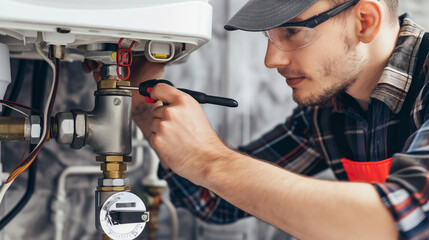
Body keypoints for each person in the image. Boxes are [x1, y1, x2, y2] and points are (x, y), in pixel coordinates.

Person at [84, 0, 429, 239]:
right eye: (269, 36)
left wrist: (209, 159)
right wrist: (143, 105)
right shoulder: (329, 113)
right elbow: (216, 202)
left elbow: (402, 220)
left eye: (291, 32)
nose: (271, 59)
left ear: (364, 21)